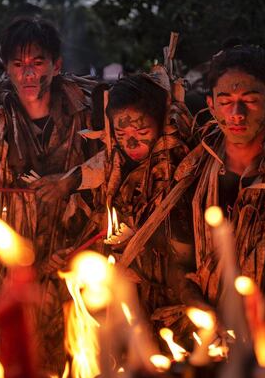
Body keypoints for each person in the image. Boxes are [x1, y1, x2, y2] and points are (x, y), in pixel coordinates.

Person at [121, 45, 265, 336]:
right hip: (208, 341)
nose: (236, 114)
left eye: (249, 100)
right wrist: (194, 302)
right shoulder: (191, 175)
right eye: (226, 101)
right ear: (211, 105)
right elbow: (181, 262)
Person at [0, 17, 95, 375]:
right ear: (7, 69)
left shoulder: (86, 116)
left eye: (37, 63)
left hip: (73, 259)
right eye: (18, 64)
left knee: (73, 359)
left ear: (56, 66)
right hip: (8, 270)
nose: (28, 74)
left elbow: (110, 170)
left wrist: (69, 182)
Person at [51, 73, 194, 331]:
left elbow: (185, 258)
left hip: (164, 307)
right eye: (121, 132)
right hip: (115, 306)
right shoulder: (109, 167)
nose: (130, 142)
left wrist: (142, 235)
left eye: (141, 131)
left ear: (162, 124)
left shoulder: (179, 172)